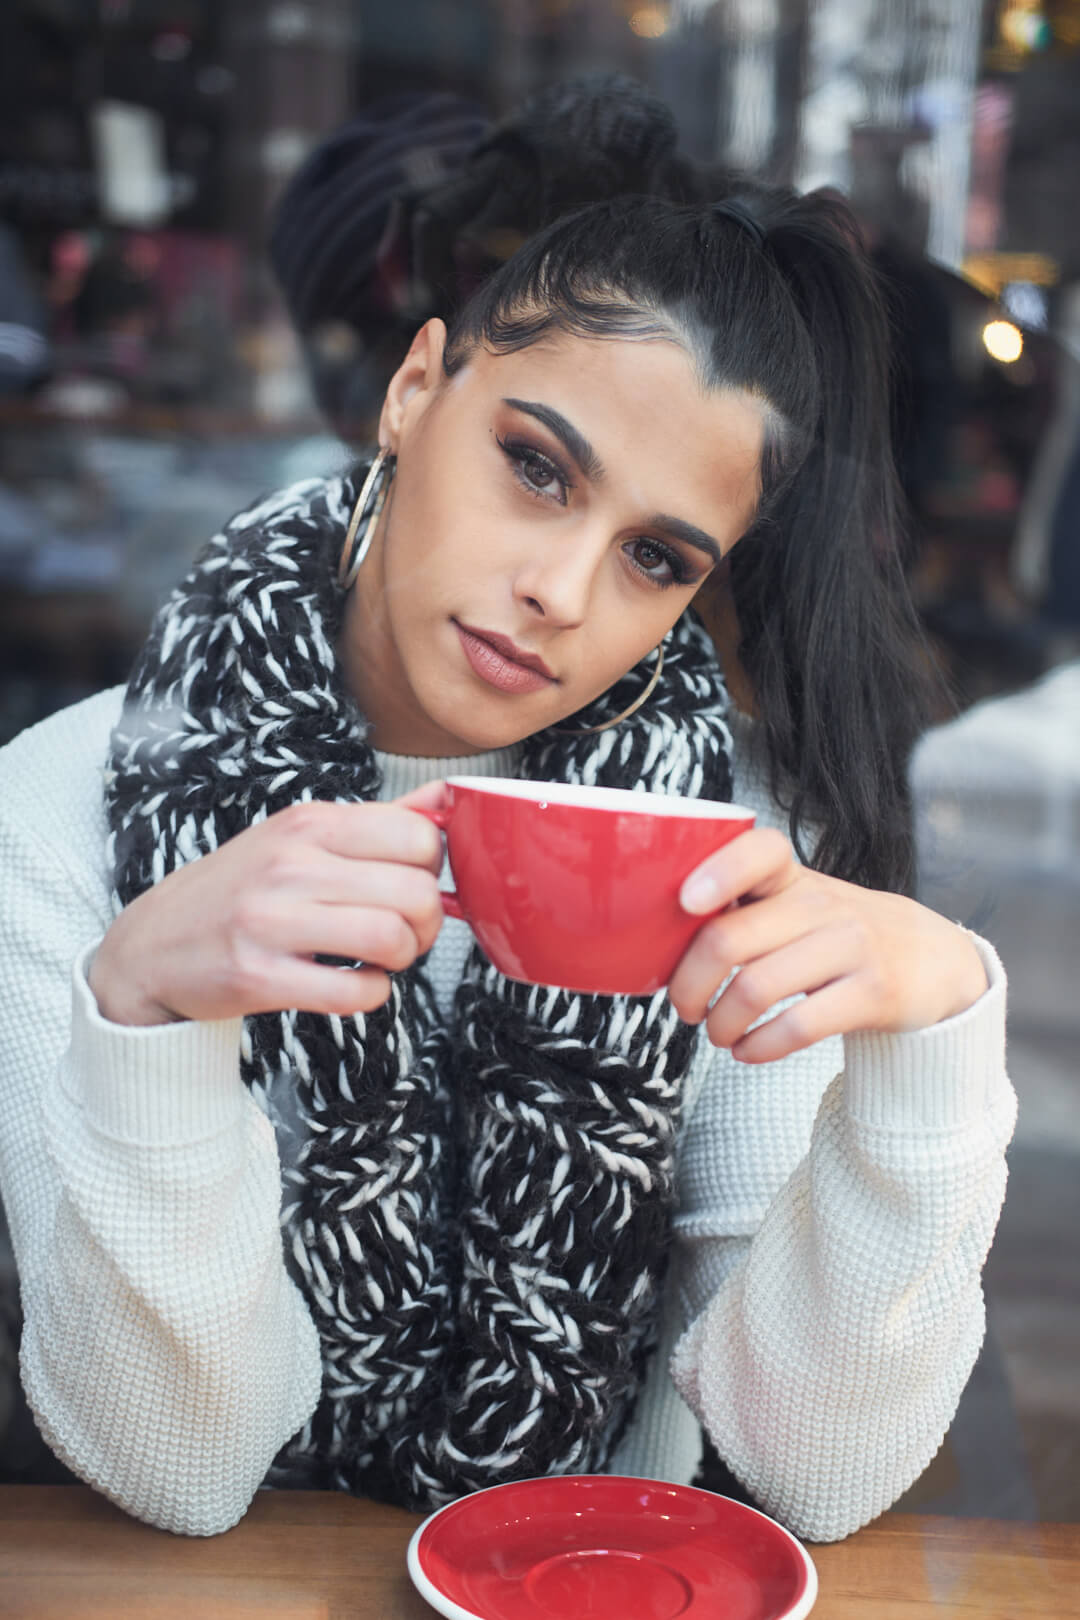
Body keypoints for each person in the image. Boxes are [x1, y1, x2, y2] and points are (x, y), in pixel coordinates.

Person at [0, 79, 1014, 1544]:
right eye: (535, 469)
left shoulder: (719, 857)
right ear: (417, 391)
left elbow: (817, 1475)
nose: (561, 590)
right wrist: (148, 1021)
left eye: (657, 559)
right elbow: (177, 1469)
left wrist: (932, 1056)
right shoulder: (55, 813)